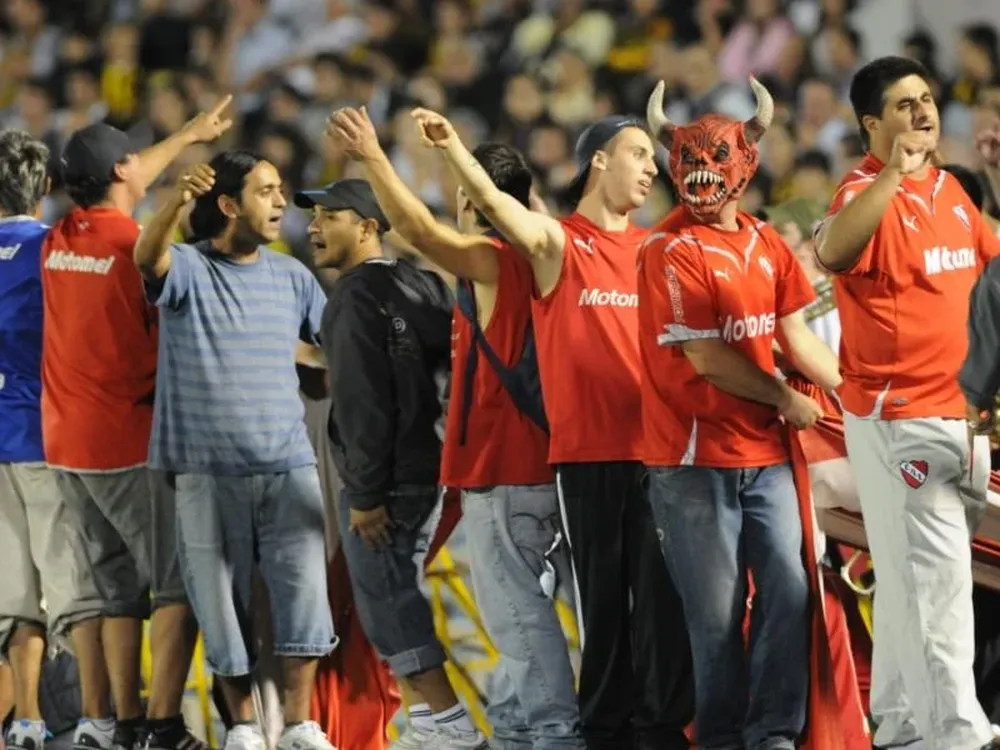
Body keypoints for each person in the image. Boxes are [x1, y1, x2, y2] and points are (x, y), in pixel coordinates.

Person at [408, 105, 695, 749]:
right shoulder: (556, 240)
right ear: (598, 160)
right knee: (600, 613)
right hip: (585, 459)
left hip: (659, 455)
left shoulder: (656, 245)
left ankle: (657, 730)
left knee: (657, 605)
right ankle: (595, 731)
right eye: (638, 154)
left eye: (655, 158)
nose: (652, 168)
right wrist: (453, 144)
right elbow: (489, 205)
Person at [327, 106, 584, 749]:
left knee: (519, 618)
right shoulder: (560, 255)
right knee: (539, 613)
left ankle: (549, 734)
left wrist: (374, 158)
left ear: (479, 204)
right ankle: (522, 726)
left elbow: (414, 229)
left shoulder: (499, 260)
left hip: (506, 467)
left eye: (463, 204)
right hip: (555, 466)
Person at [639, 78, 842, 749]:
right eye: (690, 159)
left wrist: (855, 395)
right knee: (717, 616)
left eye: (716, 158)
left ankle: (773, 735)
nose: (703, 174)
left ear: (745, 164)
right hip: (693, 462)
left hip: (766, 457)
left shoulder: (766, 242)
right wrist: (788, 399)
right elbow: (708, 360)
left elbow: (796, 336)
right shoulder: (668, 249)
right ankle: (722, 740)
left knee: (789, 592)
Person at [814, 55, 1000, 750]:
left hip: (960, 415)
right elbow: (831, 252)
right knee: (939, 575)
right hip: (904, 419)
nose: (924, 112)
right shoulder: (863, 192)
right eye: (904, 105)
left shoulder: (952, 190)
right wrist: (892, 172)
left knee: (903, 575)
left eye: (927, 99)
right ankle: (958, 733)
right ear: (872, 125)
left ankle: (898, 725)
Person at [40, 101, 232, 750]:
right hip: (127, 441)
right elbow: (147, 236)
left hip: (65, 449)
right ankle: (164, 725)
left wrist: (187, 136)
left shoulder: (60, 238)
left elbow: (126, 184)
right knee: (177, 584)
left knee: (118, 593)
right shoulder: (135, 247)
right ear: (121, 168)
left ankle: (124, 725)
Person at [132, 150, 336, 750]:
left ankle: (300, 725)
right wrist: (172, 199)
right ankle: (243, 725)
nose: (280, 203)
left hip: (287, 464)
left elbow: (333, 346)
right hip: (204, 469)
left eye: (280, 190)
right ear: (227, 204)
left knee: (305, 600)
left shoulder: (293, 275)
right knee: (217, 606)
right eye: (266, 191)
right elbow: (148, 256)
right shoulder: (190, 268)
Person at [294, 175, 488, 750]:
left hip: (383, 479)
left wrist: (367, 494)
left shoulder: (351, 296)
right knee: (400, 592)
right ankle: (427, 726)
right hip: (431, 468)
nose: (313, 226)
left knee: (388, 603)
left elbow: (362, 400)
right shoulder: (426, 285)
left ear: (368, 226)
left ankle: (449, 722)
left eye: (330, 216)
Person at [0, 129, 103, 750]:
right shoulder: (57, 249)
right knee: (74, 592)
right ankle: (94, 718)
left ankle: (29, 721)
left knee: (12, 599)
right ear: (44, 190)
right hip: (46, 437)